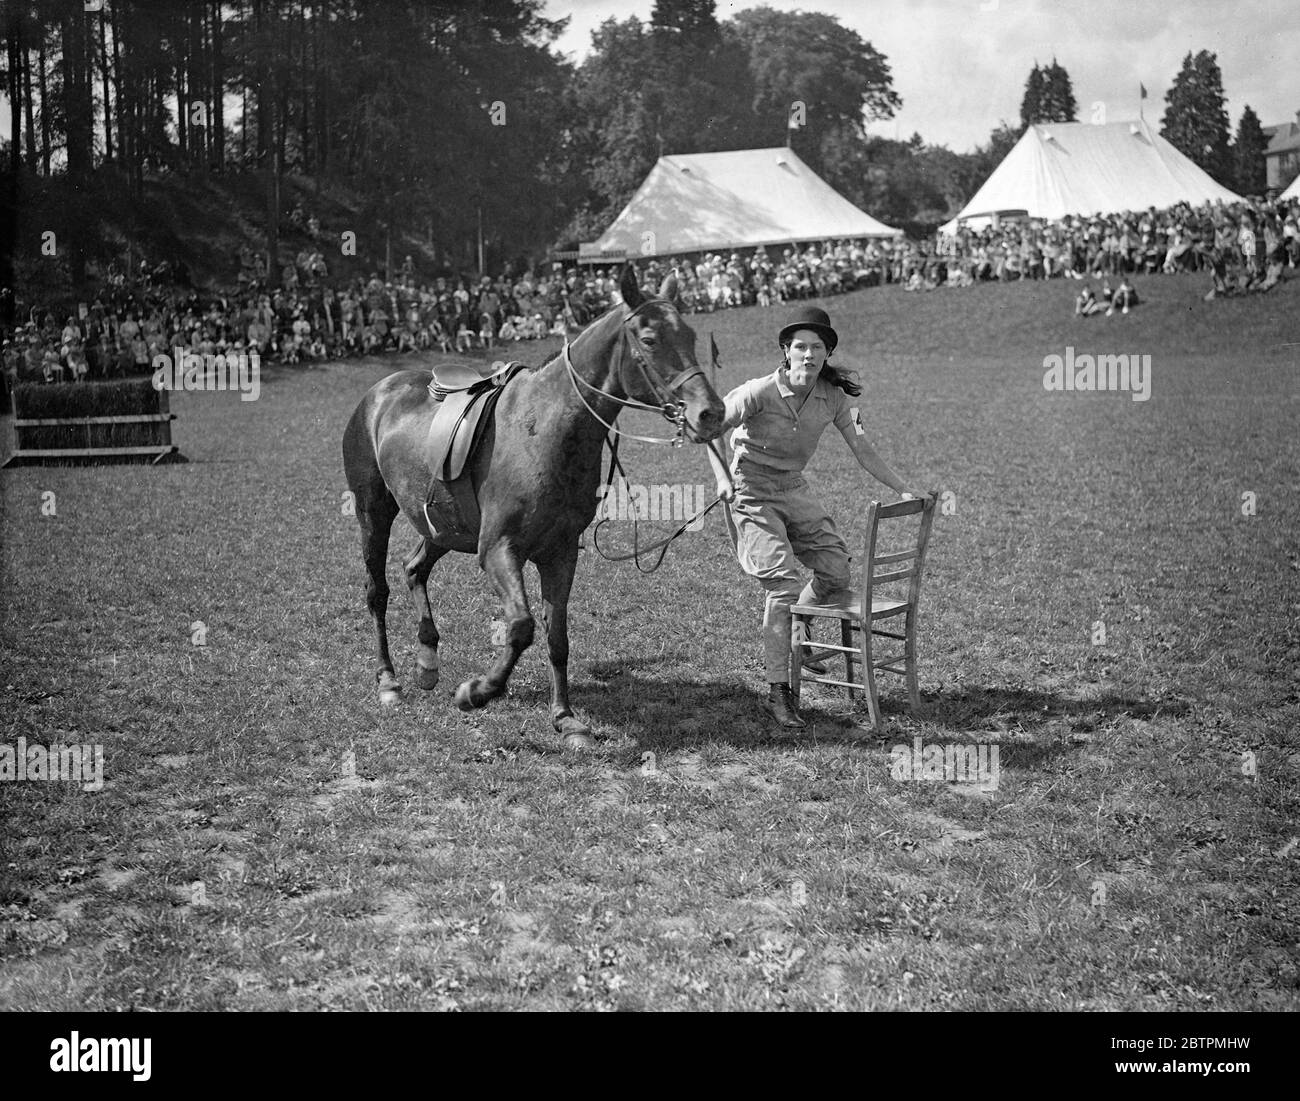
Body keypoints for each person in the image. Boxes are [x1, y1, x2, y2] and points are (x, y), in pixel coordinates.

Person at [719, 306, 930, 729]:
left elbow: (861, 446)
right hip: (751, 490)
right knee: (782, 585)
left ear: (827, 352)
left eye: (817, 347)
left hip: (793, 487)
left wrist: (902, 488)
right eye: (800, 346)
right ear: (786, 350)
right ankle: (781, 692)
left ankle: (801, 631)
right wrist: (721, 477)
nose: (808, 354)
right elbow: (709, 427)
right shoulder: (756, 392)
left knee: (835, 570)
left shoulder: (833, 397)